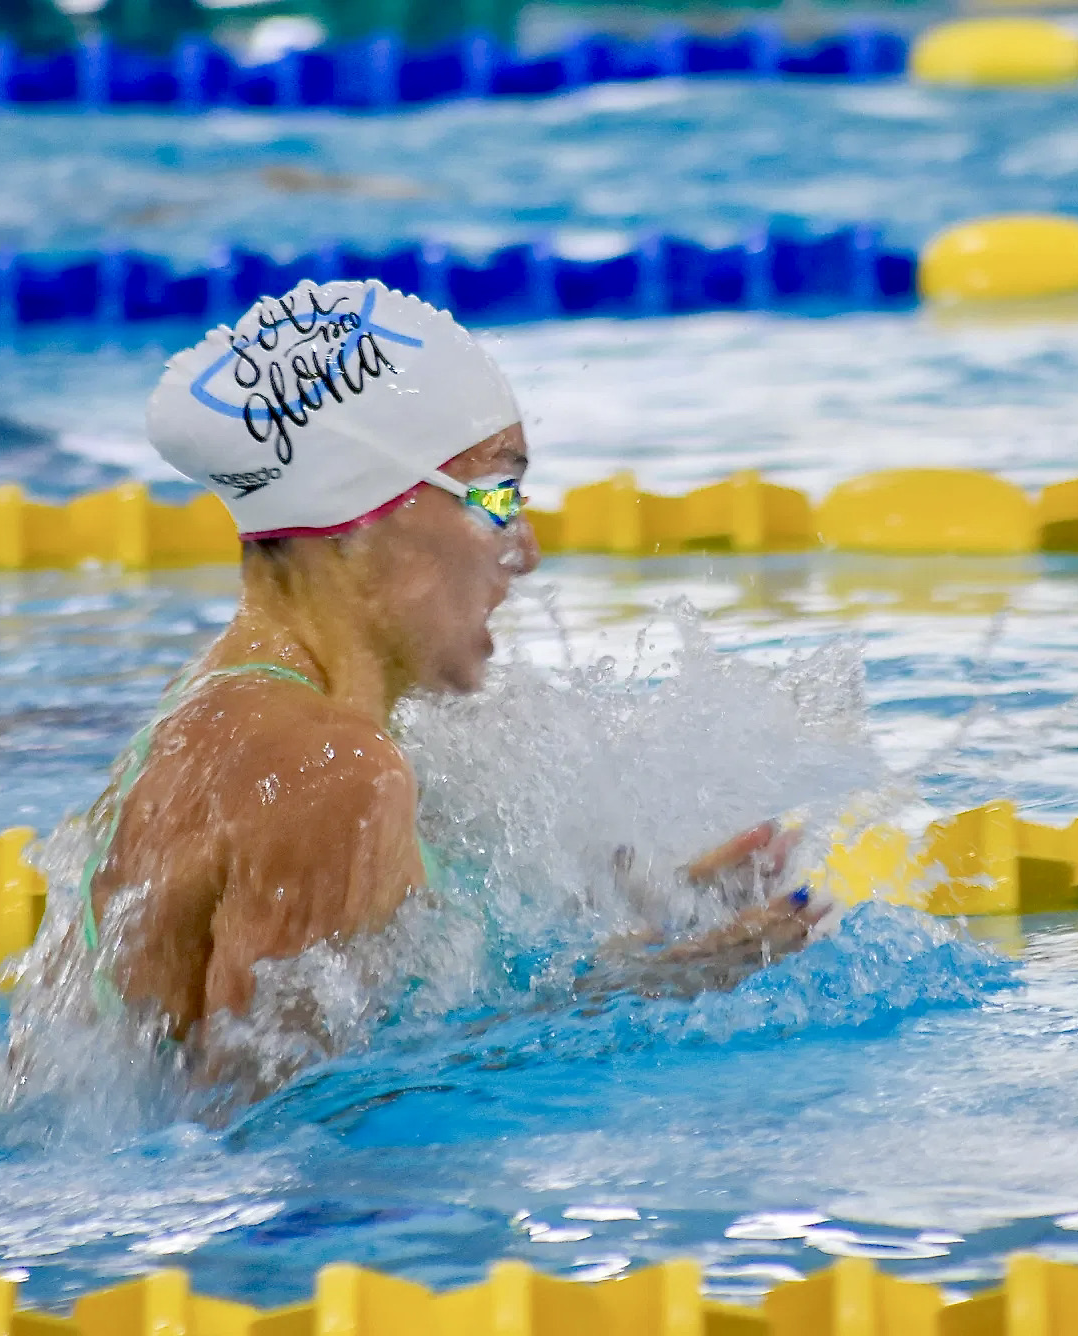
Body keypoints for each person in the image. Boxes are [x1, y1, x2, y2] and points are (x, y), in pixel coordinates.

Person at [75, 278, 825, 1071]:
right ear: (370, 510)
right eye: (498, 496)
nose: (526, 549)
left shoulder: (236, 709)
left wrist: (667, 904)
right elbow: (263, 1121)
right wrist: (644, 992)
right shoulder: (327, 768)